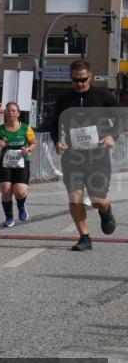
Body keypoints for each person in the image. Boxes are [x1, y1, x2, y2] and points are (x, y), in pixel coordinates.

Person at [49, 60, 125, 251]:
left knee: (98, 199)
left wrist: (112, 136)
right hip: (73, 157)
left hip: (97, 156)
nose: (79, 84)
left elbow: (121, 117)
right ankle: (84, 237)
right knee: (75, 198)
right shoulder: (64, 99)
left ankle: (105, 210)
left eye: (83, 79)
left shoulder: (102, 97)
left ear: (90, 76)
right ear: (71, 78)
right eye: (75, 80)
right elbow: (53, 123)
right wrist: (58, 140)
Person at [0, 102, 36, 227]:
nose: (10, 113)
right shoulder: (0, 129)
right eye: (8, 111)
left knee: (19, 192)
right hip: (5, 164)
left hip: (22, 163)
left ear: (18, 113)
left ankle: (21, 206)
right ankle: (9, 218)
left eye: (14, 111)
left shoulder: (26, 128)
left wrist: (28, 149)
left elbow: (34, 143)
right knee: (6, 191)